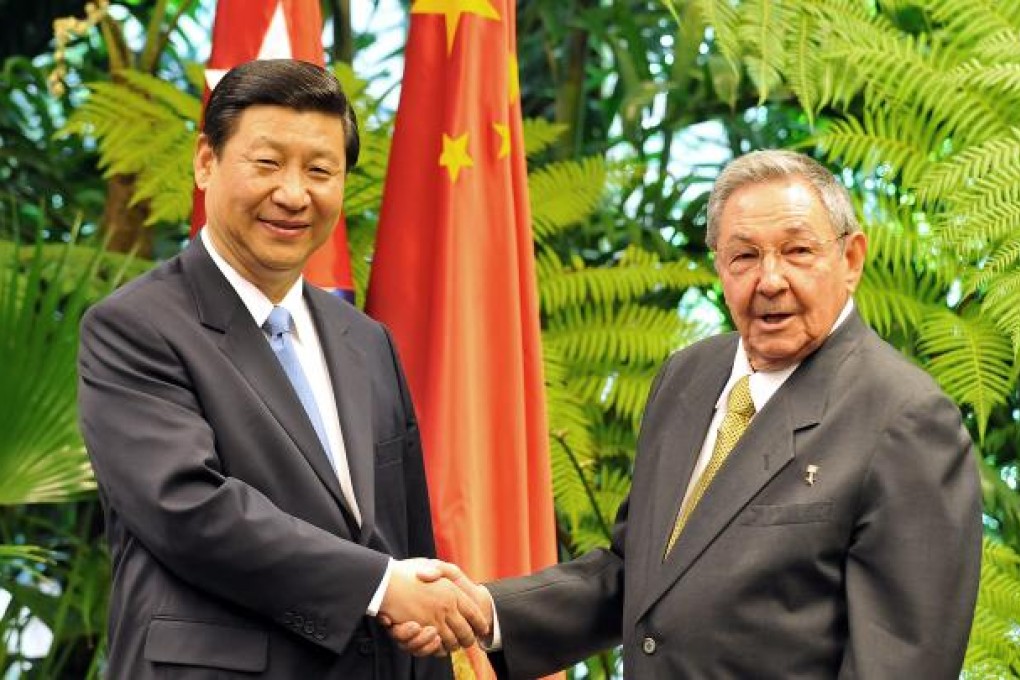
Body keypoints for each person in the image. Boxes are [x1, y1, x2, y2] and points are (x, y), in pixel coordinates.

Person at [390, 149, 983, 678]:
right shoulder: (687, 377)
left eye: (798, 251)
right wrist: (484, 611)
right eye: (744, 256)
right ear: (718, 266)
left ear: (851, 258)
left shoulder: (905, 418)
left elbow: (903, 663)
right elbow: (639, 574)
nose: (769, 280)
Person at [77, 59, 484, 679]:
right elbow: (187, 509)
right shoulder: (134, 327)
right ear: (206, 162)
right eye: (267, 164)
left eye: (320, 171)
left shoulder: (366, 340)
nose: (294, 194)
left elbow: (406, 546)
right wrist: (378, 586)